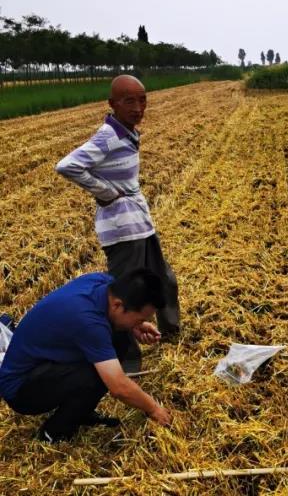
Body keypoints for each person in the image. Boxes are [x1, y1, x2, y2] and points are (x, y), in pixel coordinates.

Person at [56, 75, 180, 346]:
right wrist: (105, 192)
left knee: (163, 279)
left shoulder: (127, 132)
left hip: (140, 223)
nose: (138, 107)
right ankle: (126, 358)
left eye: (143, 99)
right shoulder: (109, 135)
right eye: (129, 101)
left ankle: (172, 336)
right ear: (113, 104)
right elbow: (67, 165)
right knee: (125, 296)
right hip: (122, 228)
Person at [0, 270, 172, 444]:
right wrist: (154, 409)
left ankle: (79, 411)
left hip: (46, 364)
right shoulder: (88, 321)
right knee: (96, 375)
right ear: (118, 306)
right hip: (21, 389)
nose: (141, 323)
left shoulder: (103, 283)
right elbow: (118, 386)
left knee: (118, 339)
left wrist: (135, 325)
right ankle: (53, 433)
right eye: (140, 318)